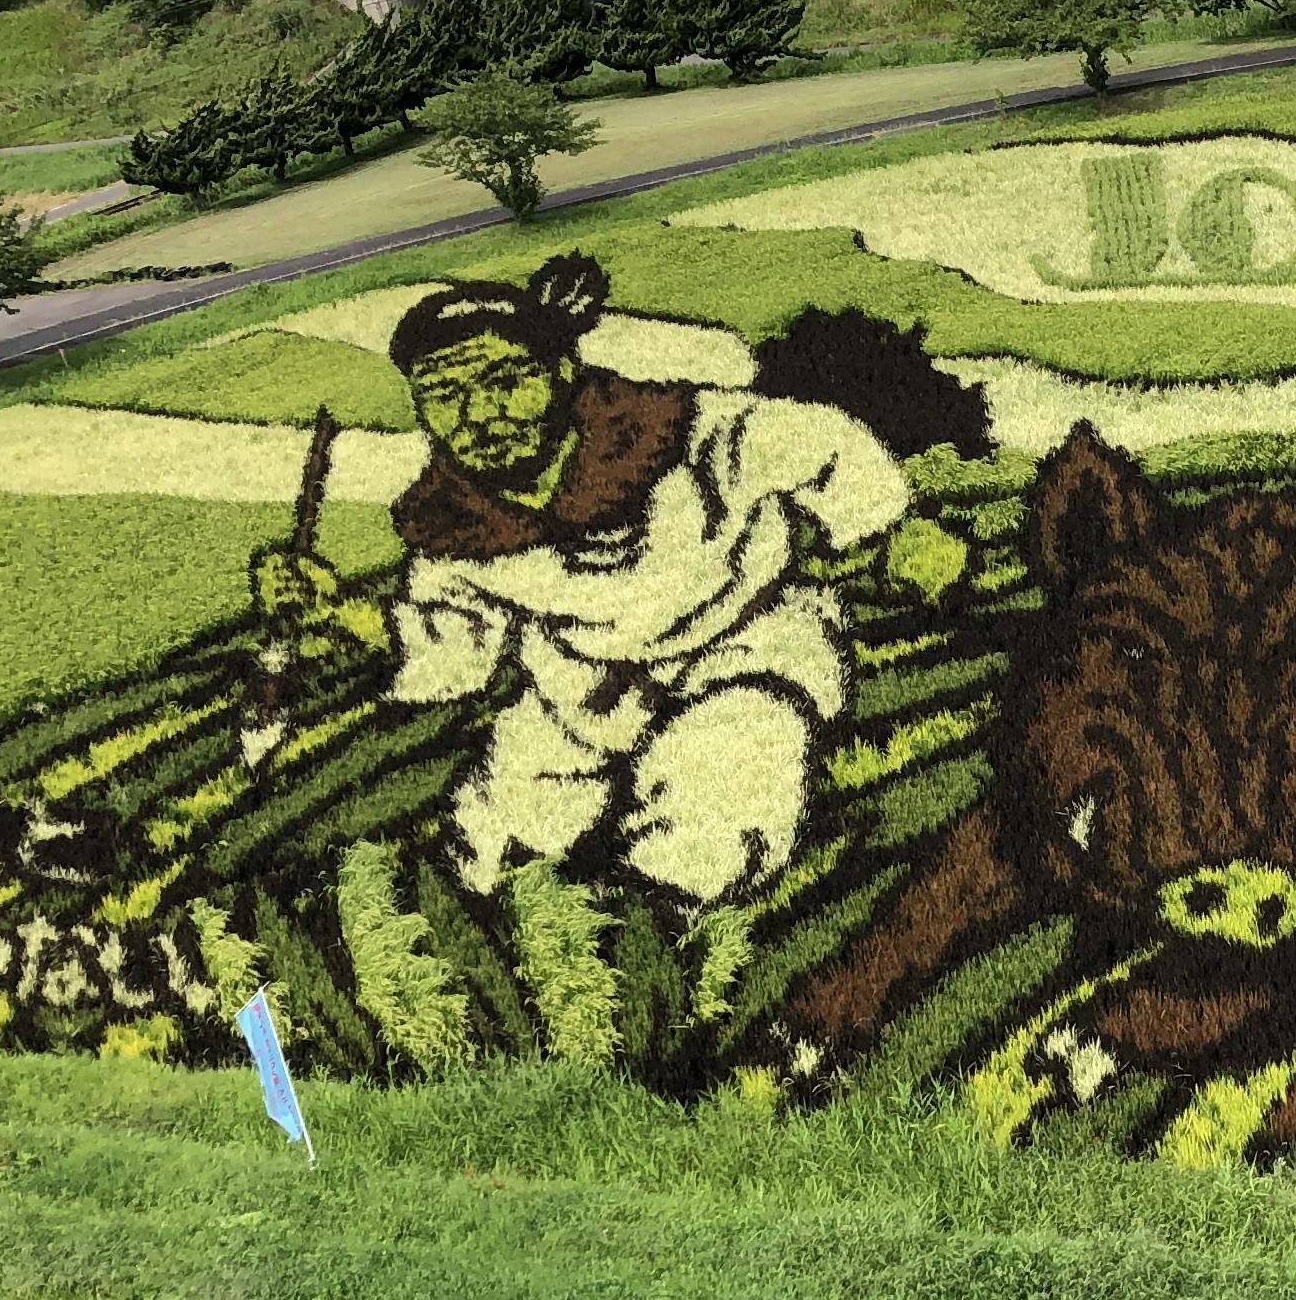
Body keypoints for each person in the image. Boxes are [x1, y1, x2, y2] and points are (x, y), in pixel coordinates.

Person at [249, 255, 907, 916]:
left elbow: (821, 446)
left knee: (722, 783)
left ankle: (650, 924)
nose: (480, 413)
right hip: (584, 691)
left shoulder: (676, 433)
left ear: (563, 370)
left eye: (505, 380)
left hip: (744, 644)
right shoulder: (456, 525)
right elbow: (454, 651)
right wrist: (337, 611)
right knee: (496, 828)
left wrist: (896, 535)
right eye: (446, 398)